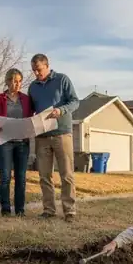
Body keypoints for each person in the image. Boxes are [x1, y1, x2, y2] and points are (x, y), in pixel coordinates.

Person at [28, 53, 80, 222]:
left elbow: (75, 101)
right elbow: (31, 110)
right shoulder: (33, 87)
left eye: (39, 70)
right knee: (44, 175)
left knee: (66, 174)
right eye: (34, 71)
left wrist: (61, 110)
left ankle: (69, 211)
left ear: (47, 65)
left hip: (61, 133)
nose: (36, 73)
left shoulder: (62, 80)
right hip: (42, 135)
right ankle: (49, 209)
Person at [0, 68, 34, 217]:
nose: (17, 84)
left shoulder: (26, 99)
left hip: (22, 143)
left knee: (21, 178)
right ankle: (6, 209)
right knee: (5, 177)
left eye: (20, 81)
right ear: (8, 82)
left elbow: (31, 118)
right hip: (4, 143)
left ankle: (20, 210)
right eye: (14, 81)